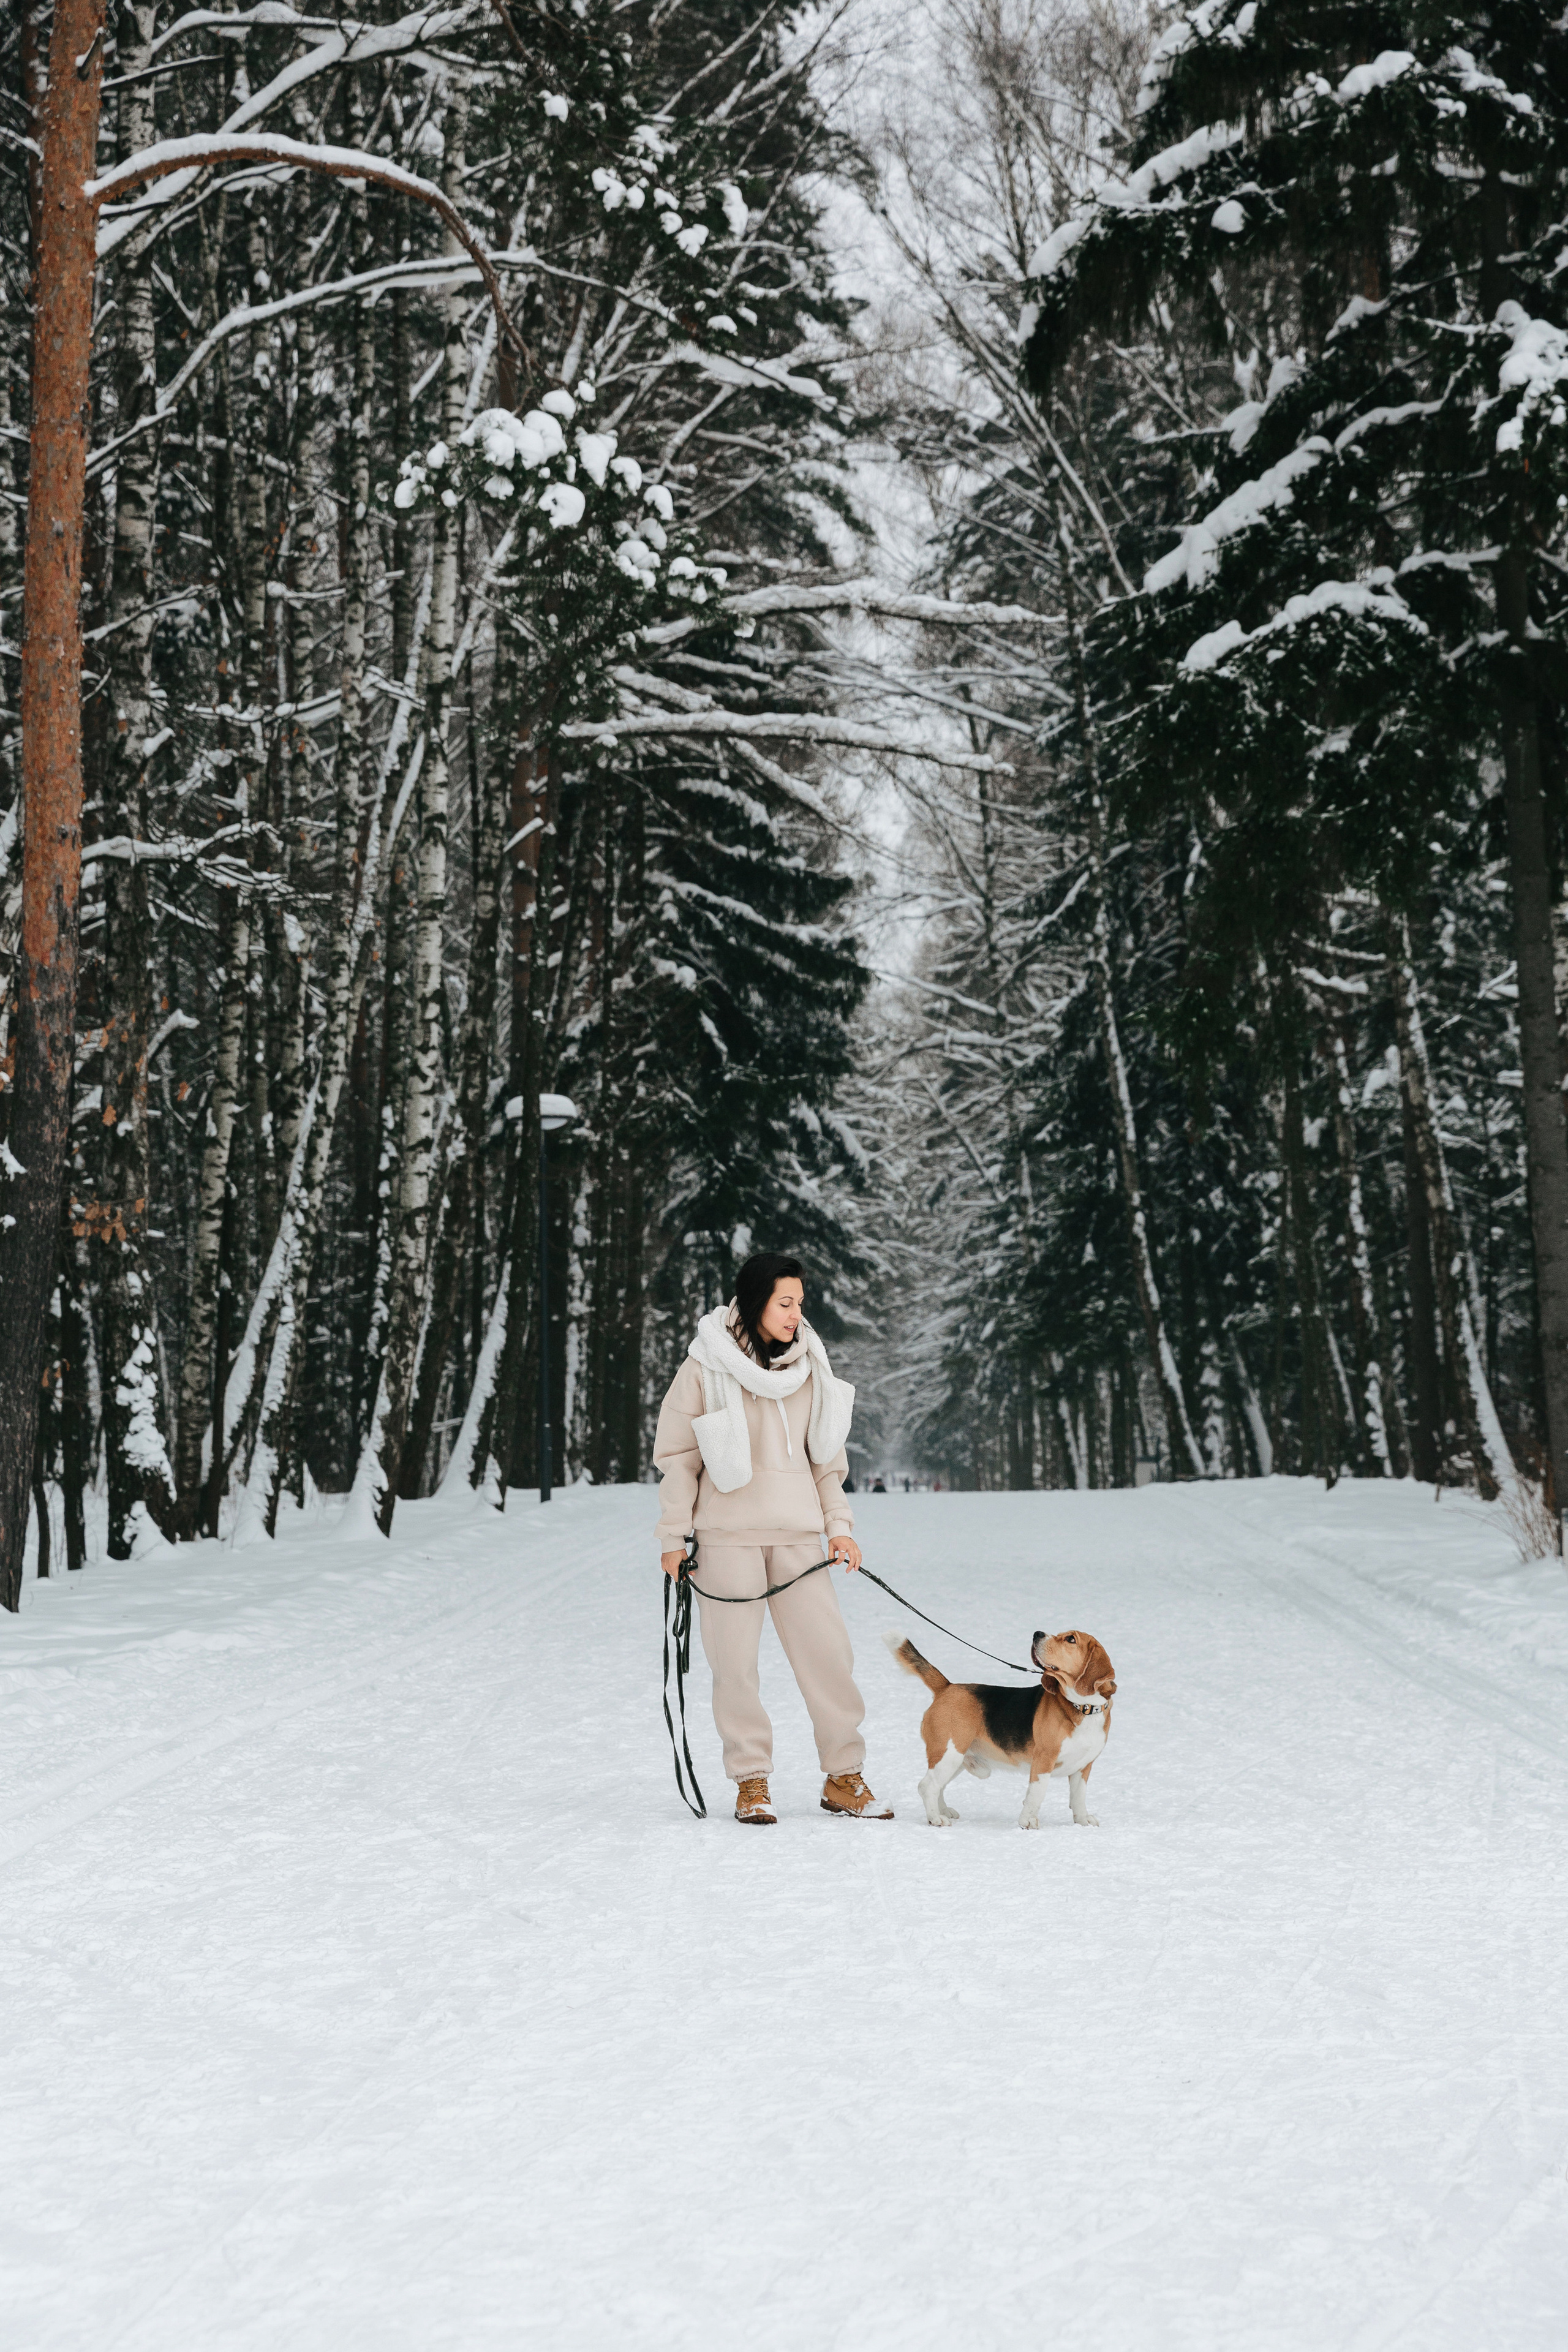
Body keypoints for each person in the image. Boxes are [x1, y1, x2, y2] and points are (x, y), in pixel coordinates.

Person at [655, 1253, 892, 1826]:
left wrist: (840, 1529)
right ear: (756, 1299)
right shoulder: (704, 1368)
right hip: (726, 1540)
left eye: (800, 1302)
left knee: (828, 1658)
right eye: (785, 1302)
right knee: (734, 1668)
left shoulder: (812, 1370)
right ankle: (751, 1781)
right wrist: (673, 1536)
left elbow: (826, 1464)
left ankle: (844, 1776)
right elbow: (679, 1460)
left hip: (797, 1540)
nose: (795, 1314)